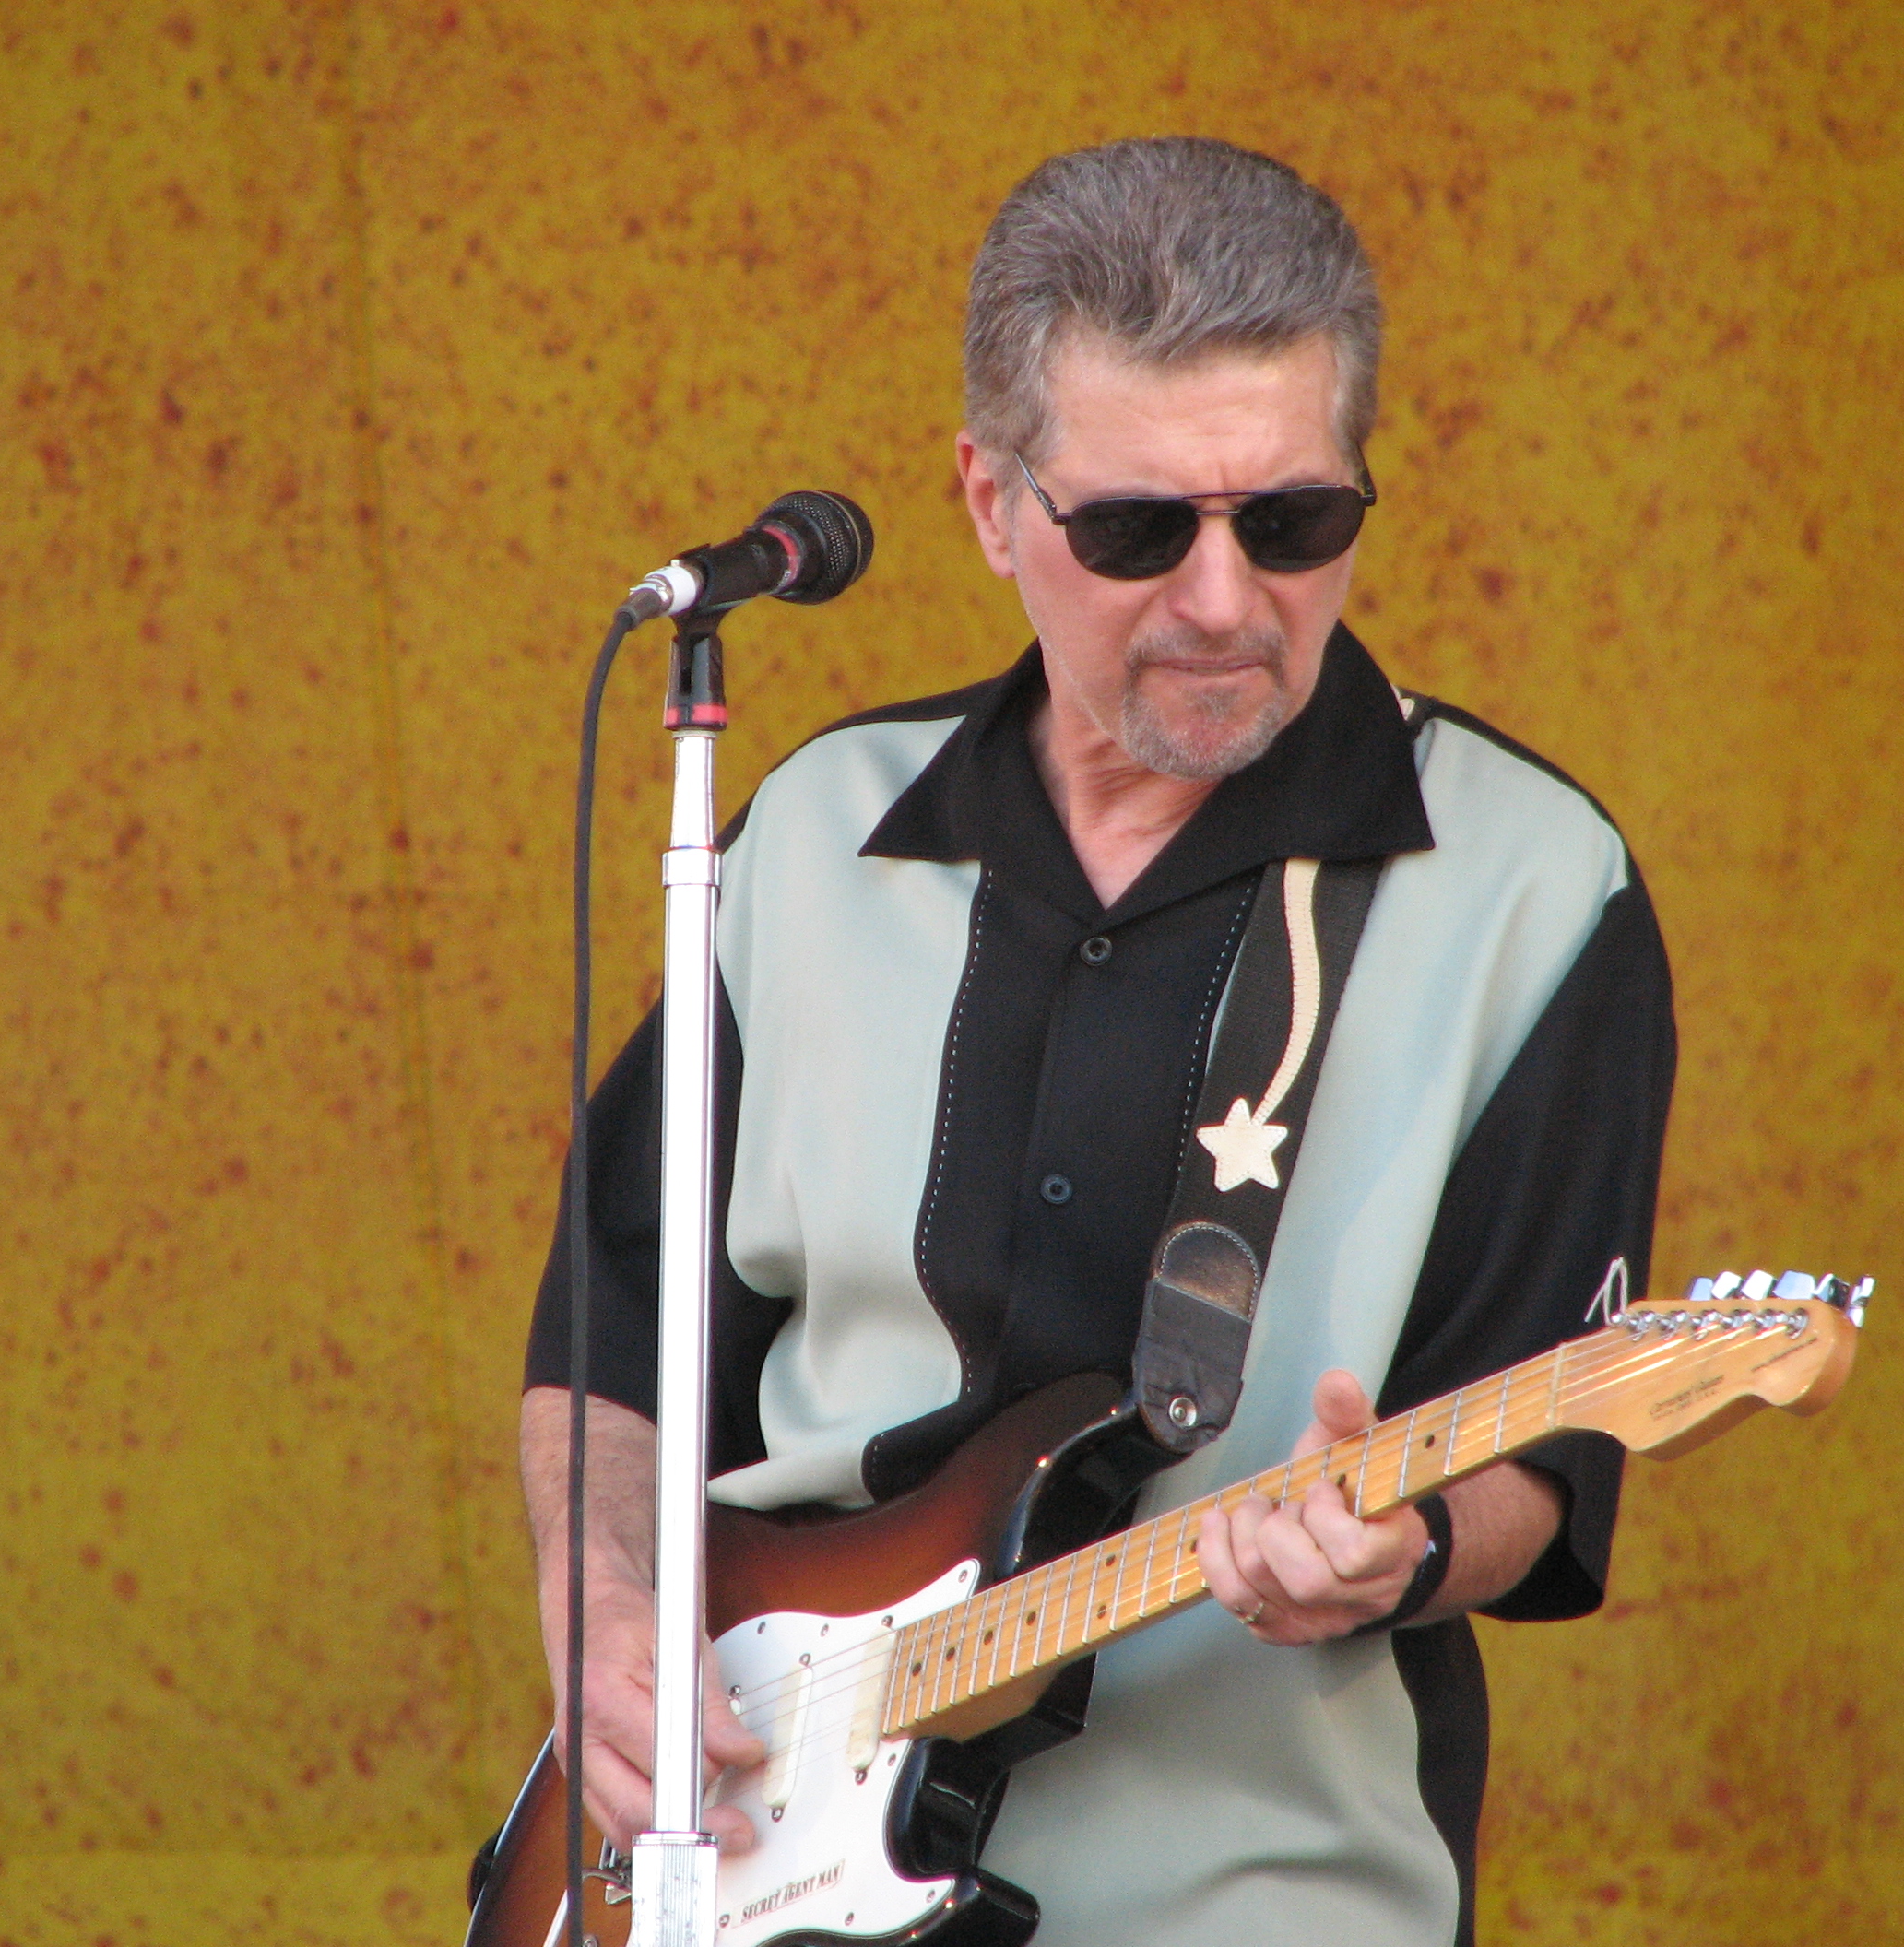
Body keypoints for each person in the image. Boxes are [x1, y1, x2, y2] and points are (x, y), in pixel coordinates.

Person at [519, 136, 1674, 1947]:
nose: (1224, 600)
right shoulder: (810, 836)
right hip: (751, 1866)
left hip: (1263, 1895)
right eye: (1137, 530)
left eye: (1291, 522)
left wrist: (1410, 1548)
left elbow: (1539, 1451)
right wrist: (600, 1616)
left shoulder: (1535, 889)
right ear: (989, 505)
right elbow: (613, 1328)